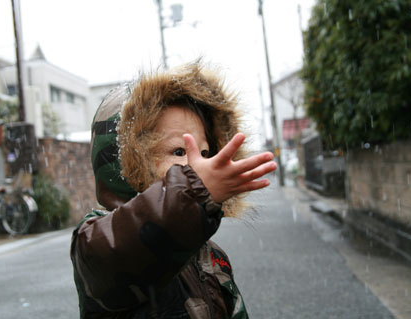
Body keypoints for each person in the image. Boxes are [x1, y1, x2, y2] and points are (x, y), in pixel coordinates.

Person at [70, 62, 277, 318]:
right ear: (126, 162)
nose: (197, 164)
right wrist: (194, 190)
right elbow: (125, 249)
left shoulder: (212, 255)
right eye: (179, 152)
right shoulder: (96, 240)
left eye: (204, 152)